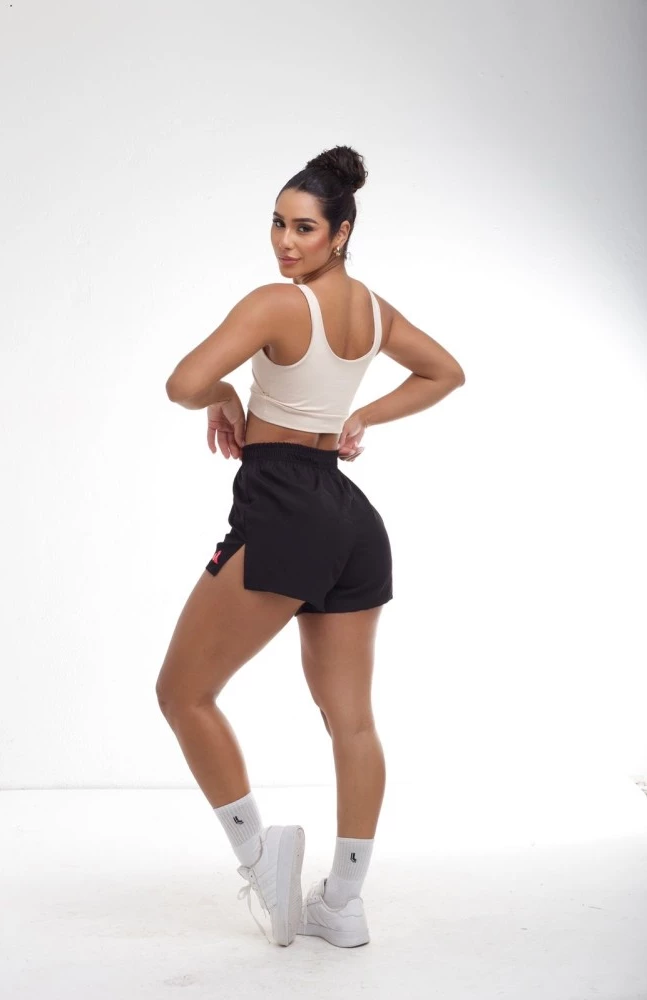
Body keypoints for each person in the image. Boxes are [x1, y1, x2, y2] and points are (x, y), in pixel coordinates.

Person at [155, 145, 465, 948]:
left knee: (182, 694)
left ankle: (262, 860)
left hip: (287, 506)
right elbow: (443, 373)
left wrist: (225, 392)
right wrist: (362, 416)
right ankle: (343, 904)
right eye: (277, 224)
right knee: (350, 721)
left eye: (303, 228)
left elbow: (183, 384)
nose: (285, 242)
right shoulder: (373, 311)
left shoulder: (276, 304)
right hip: (348, 516)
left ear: (340, 232)